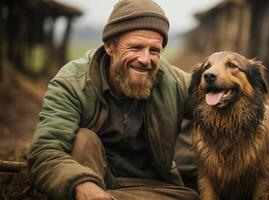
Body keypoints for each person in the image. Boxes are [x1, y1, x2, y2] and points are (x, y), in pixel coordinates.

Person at [26, 0, 199, 199]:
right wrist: (83, 185)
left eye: (154, 51)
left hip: (152, 188)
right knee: (84, 139)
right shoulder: (73, 83)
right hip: (92, 180)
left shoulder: (174, 83)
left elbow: (218, 103)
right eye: (135, 47)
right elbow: (45, 151)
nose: (145, 59)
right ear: (109, 46)